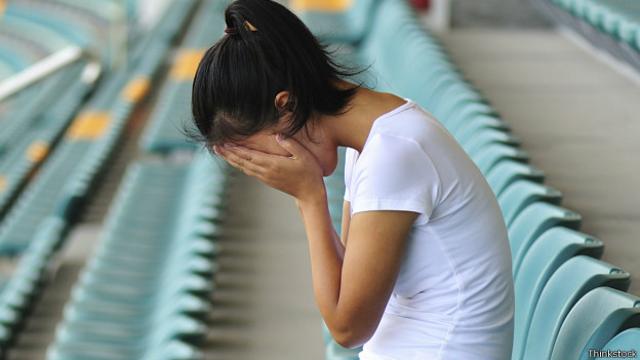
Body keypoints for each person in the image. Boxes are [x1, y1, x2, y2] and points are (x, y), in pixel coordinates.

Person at [190, 0, 514, 359]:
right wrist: (307, 194)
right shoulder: (373, 138)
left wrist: (309, 198)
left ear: (286, 105)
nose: (264, 166)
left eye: (256, 153)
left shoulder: (393, 152)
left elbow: (348, 327)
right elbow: (346, 283)